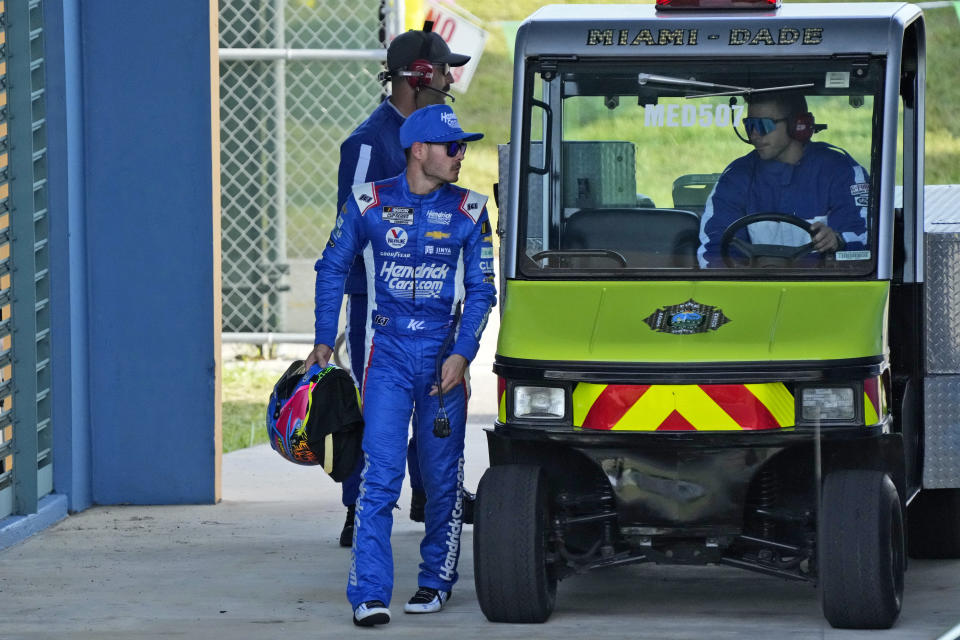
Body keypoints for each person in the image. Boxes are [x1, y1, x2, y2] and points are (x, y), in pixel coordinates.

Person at [306, 104, 497, 626]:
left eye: (464, 147)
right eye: (453, 147)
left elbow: (483, 291)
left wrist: (462, 354)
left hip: (443, 363)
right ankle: (368, 592)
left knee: (440, 481)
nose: (462, 156)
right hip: (386, 356)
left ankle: (435, 581)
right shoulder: (368, 200)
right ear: (420, 150)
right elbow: (332, 266)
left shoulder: (472, 210)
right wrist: (325, 338)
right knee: (381, 475)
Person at [336, 23, 472, 547]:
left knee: (438, 391)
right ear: (420, 75)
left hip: (433, 296)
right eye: (442, 68)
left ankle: (433, 492)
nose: (449, 76)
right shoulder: (370, 143)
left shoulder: (437, 133)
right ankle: (361, 503)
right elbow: (353, 228)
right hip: (381, 301)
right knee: (380, 401)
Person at [697, 92, 869, 267]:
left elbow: (865, 241)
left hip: (825, 291)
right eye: (749, 125)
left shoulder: (841, 171)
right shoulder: (736, 177)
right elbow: (714, 250)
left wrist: (839, 241)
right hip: (754, 291)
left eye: (763, 125)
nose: (754, 135)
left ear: (798, 125)